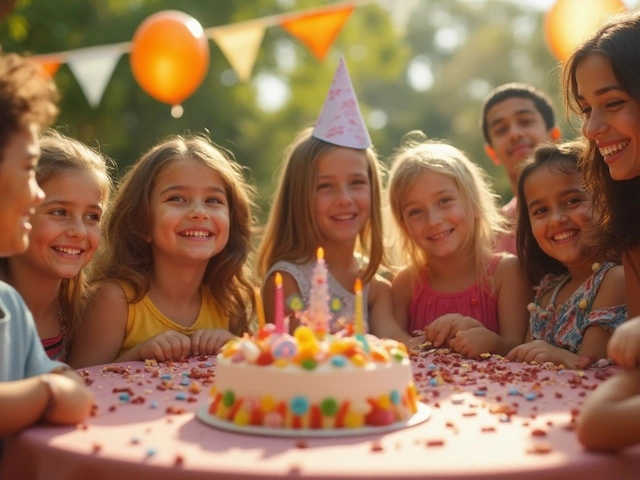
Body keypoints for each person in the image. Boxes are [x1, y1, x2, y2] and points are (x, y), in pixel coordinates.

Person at [256, 58, 415, 345]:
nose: (345, 199)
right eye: (325, 186)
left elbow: (397, 343)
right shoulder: (286, 280)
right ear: (299, 196)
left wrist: (442, 340)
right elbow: (298, 350)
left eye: (356, 183)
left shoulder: (374, 286)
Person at [68, 134, 255, 367]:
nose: (199, 212)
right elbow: (79, 382)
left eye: (213, 200)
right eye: (177, 198)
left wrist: (237, 347)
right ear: (142, 222)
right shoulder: (115, 301)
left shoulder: (227, 302)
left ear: (232, 220)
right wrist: (138, 355)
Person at [0, 52, 92, 439]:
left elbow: (73, 393)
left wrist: (52, 389)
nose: (37, 195)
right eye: (28, 169)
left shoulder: (9, 308)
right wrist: (45, 393)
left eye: (92, 215)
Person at [561, 9, 640, 452]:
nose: (591, 129)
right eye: (588, 109)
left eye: (613, 103)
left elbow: (601, 423)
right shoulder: (631, 227)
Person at [388, 133, 531, 357]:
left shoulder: (507, 273)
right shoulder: (406, 284)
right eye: (416, 211)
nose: (433, 220)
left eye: (444, 201)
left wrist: (491, 341)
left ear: (473, 203)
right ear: (404, 225)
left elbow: (517, 349)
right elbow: (392, 347)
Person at [505, 142, 626, 369]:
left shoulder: (614, 279)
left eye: (572, 201)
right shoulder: (547, 290)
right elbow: (522, 362)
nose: (556, 219)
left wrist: (559, 356)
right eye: (541, 211)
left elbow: (592, 370)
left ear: (606, 200)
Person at [0, 129, 113, 361]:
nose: (79, 231)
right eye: (59, 212)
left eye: (92, 216)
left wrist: (134, 357)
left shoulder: (81, 315)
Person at [481, 83, 561, 254]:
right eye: (501, 129)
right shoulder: (493, 237)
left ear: (554, 136)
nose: (514, 133)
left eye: (525, 121)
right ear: (492, 153)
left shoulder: (594, 203)